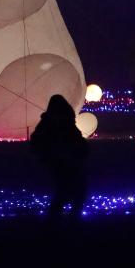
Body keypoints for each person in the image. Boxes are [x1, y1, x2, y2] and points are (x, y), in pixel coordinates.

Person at [30, 94, 88, 222]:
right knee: (67, 191)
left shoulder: (63, 124)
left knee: (68, 192)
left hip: (66, 162)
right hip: (61, 162)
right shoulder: (56, 124)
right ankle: (62, 220)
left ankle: (62, 219)